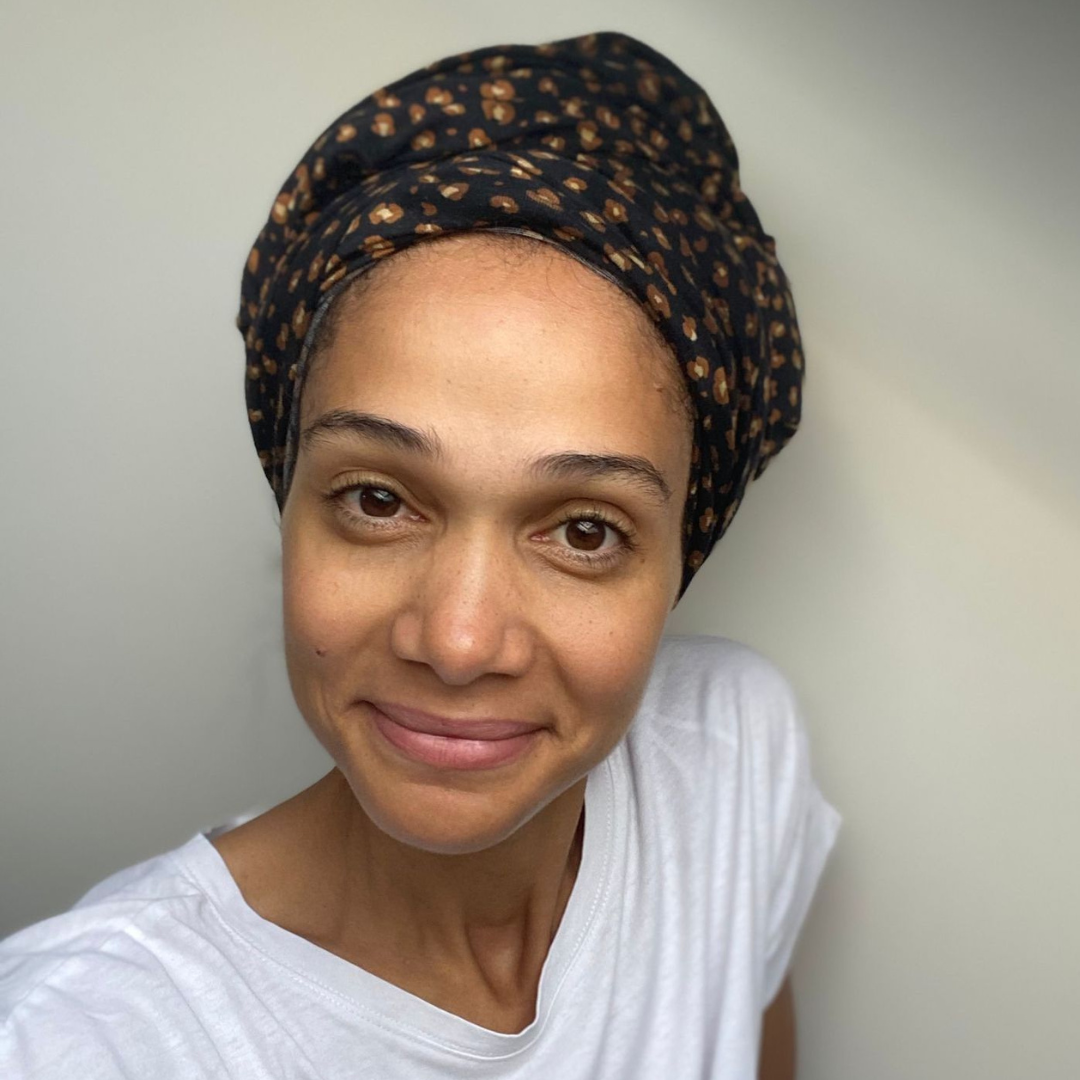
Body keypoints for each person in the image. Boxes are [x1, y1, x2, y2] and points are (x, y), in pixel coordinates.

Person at [0, 30, 840, 1079]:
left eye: (585, 530)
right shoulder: (73, 1038)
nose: (456, 640)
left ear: (682, 555)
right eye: (379, 499)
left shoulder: (730, 758)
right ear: (293, 501)